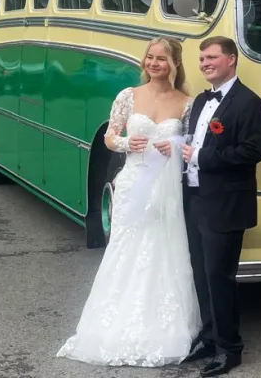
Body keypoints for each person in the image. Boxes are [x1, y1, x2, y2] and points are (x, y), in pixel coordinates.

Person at [56, 37, 202, 367]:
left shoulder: (186, 102)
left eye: (161, 59)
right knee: (127, 250)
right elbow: (109, 137)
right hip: (133, 183)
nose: (154, 63)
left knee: (163, 251)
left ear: (174, 63)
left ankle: (163, 326)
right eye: (150, 57)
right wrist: (125, 143)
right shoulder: (128, 96)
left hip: (165, 189)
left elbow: (192, 142)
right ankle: (113, 323)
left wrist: (175, 144)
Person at [180, 36, 261, 377]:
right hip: (196, 198)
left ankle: (230, 349)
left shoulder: (248, 103)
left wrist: (203, 156)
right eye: (202, 58)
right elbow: (193, 142)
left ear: (231, 60)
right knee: (200, 273)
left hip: (227, 204)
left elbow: (252, 152)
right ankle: (209, 337)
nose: (204, 63)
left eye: (212, 57)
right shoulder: (202, 100)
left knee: (220, 277)